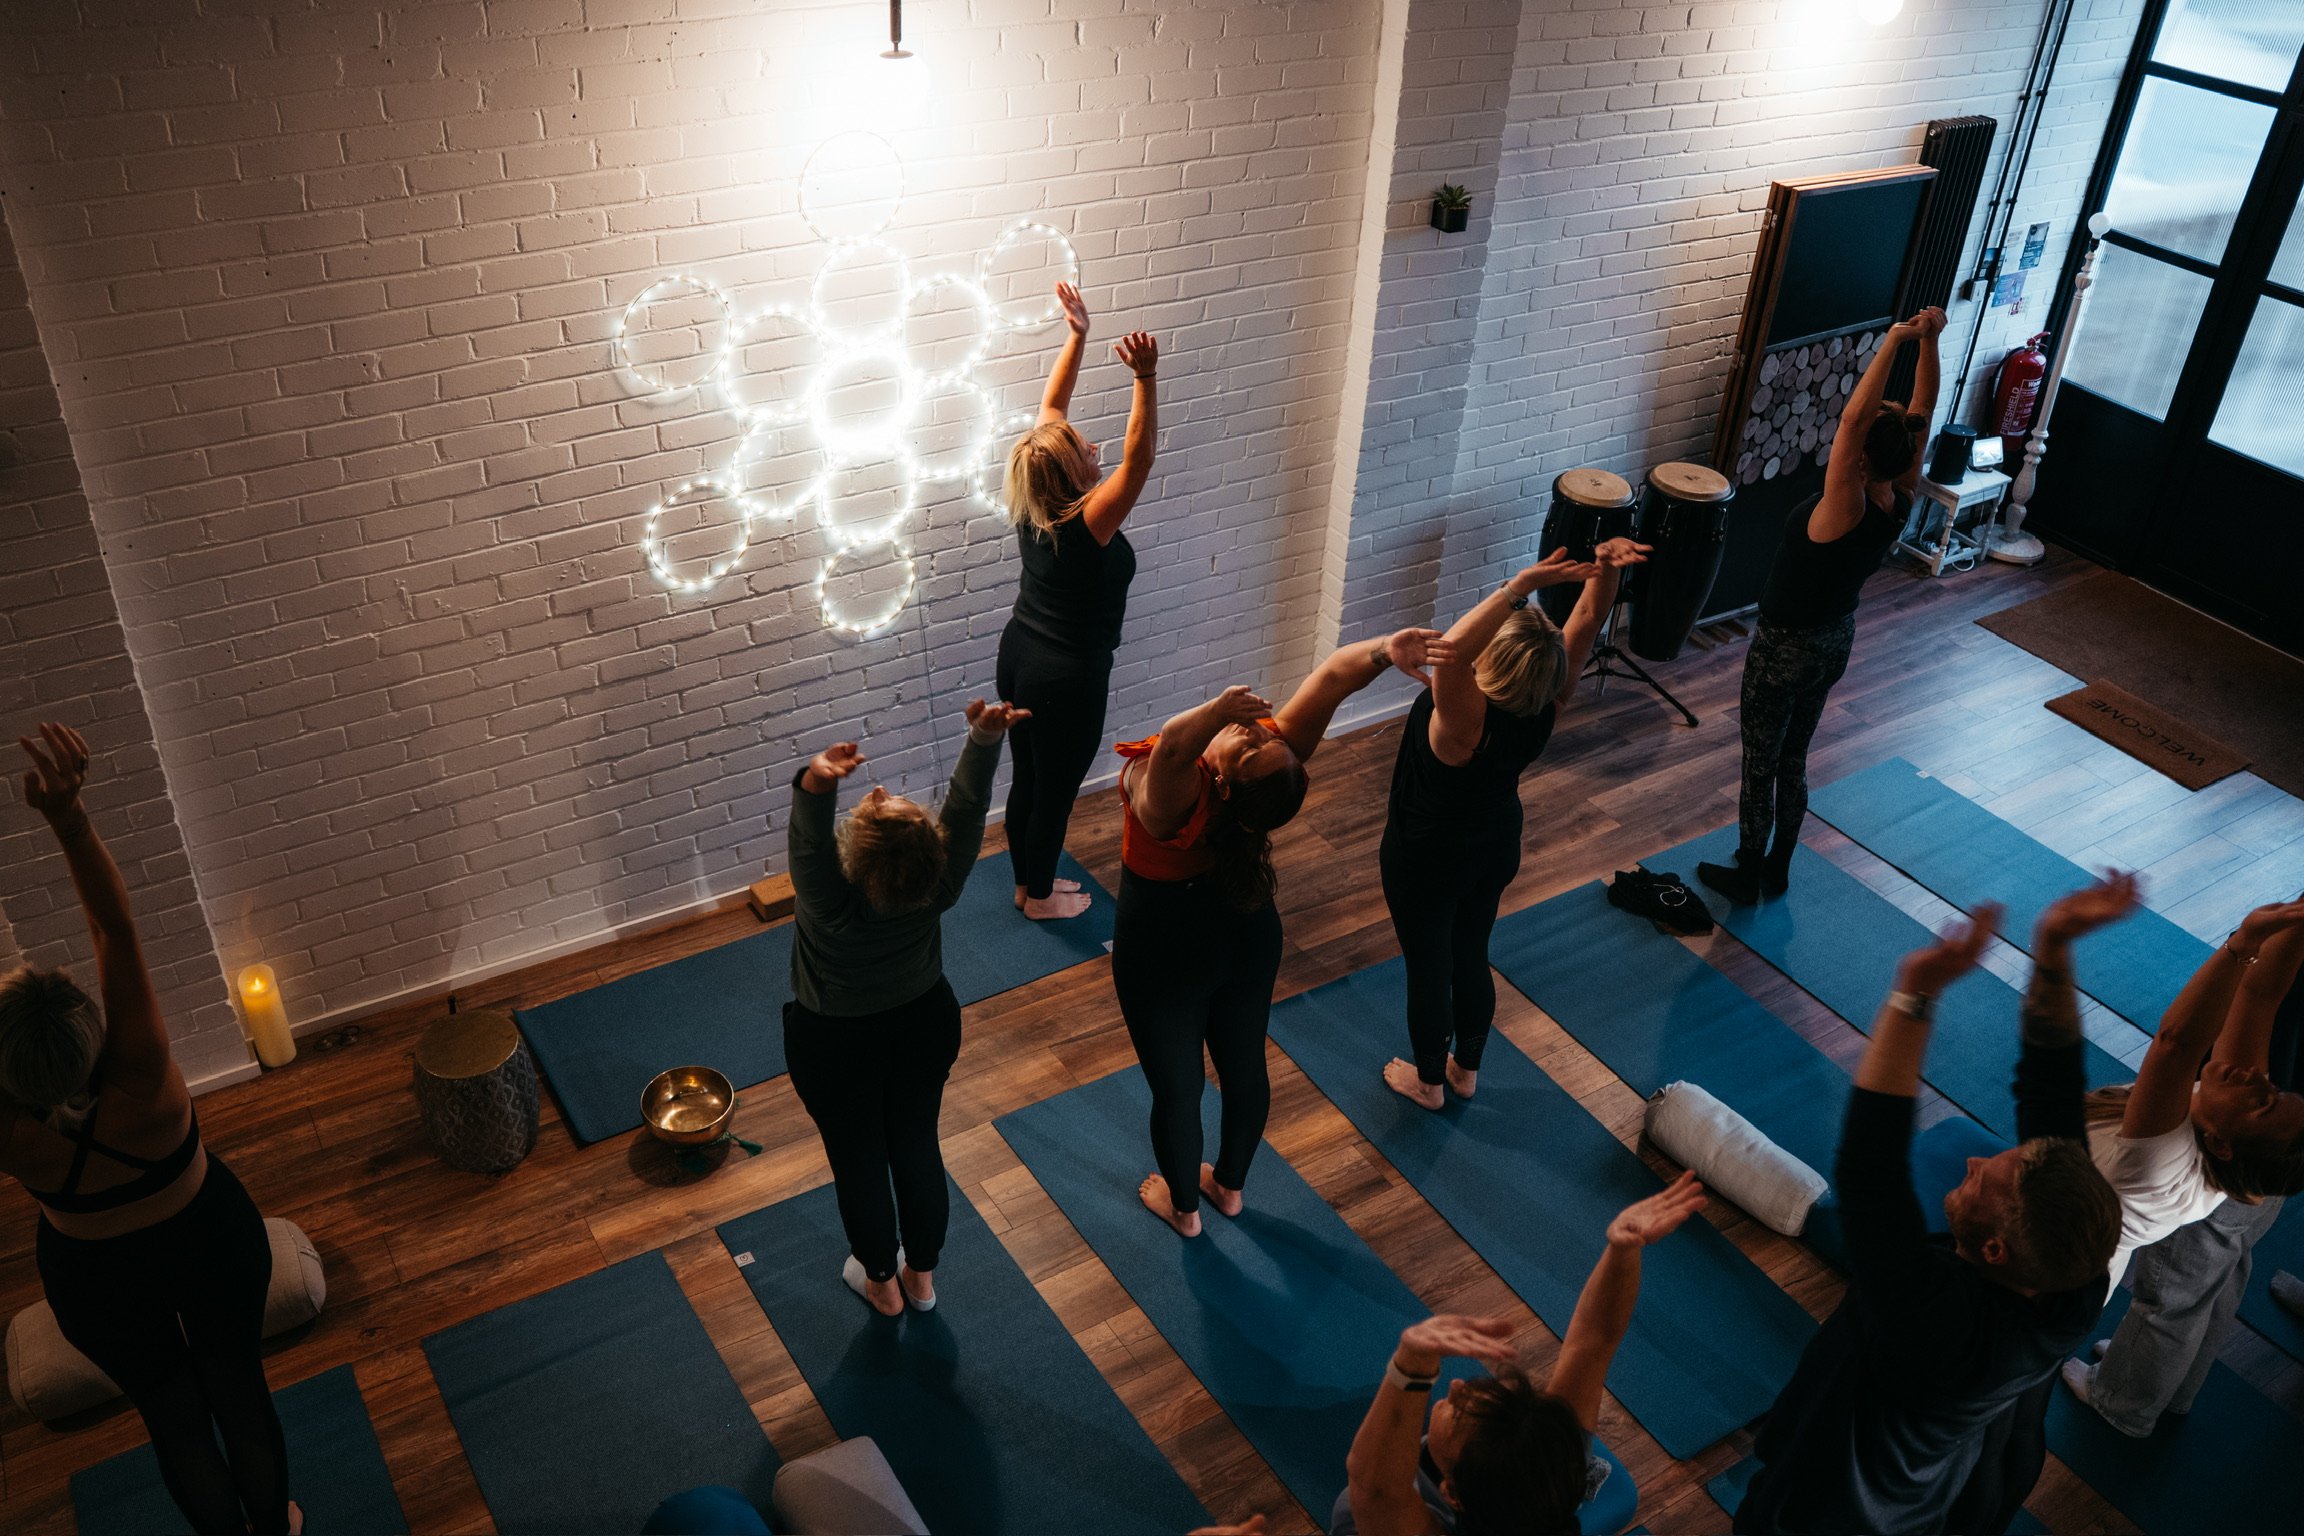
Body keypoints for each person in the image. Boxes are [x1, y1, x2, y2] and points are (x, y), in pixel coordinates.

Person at [1735, 887, 2122, 1536]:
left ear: (1995, 1248)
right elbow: (2051, 1102)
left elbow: (1870, 1170)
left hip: (1836, 1510)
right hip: (1944, 1483)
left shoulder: (1934, 1322)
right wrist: (2052, 951)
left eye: (1983, 1184)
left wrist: (1915, 990)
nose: (1972, 1164)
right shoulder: (2073, 1279)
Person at [1, 724, 297, 1536]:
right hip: (208, 1240)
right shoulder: (144, 1078)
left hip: (97, 1281)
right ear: (92, 1030)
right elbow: (114, 929)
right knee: (238, 1389)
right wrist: (67, 819)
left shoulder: (13, 1133)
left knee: (171, 1418)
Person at [1115, 626, 1449, 1236]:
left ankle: (1186, 1209)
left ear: (1221, 782)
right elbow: (1331, 681)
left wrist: (1217, 709)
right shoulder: (1263, 780)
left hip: (1165, 943)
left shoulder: (1176, 800)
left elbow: (1167, 748)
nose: (1250, 736)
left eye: (1247, 748)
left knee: (1178, 1084)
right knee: (1243, 1062)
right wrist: (1383, 652)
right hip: (1246, 928)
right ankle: (1229, 1189)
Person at [1379, 538, 1647, 1110]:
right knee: (1470, 954)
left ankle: (1429, 1083)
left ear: (1494, 661)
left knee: (1429, 966)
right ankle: (1465, 1072)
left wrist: (1520, 587)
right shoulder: (1550, 699)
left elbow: (1449, 647)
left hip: (1428, 854)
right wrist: (1602, 573)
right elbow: (1589, 618)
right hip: (1495, 843)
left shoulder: (1463, 714)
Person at [785, 699, 1027, 1317]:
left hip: (836, 1044)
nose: (880, 791)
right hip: (924, 1024)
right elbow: (969, 810)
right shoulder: (942, 881)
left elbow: (809, 839)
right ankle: (920, 1282)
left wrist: (817, 781)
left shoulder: (828, 901)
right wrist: (982, 737)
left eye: (875, 806)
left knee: (858, 1158)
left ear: (855, 859)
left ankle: (880, 1285)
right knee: (915, 1143)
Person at [1701, 307, 1945, 905]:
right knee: (1794, 755)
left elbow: (1855, 417)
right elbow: (1922, 412)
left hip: (1785, 646)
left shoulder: (1848, 506)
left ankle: (1748, 871)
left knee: (1760, 763)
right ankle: (1779, 865)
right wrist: (1930, 343)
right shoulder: (1900, 495)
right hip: (1835, 638)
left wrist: (1894, 339)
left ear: (1860, 456)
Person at [1341, 1172, 1709, 1535]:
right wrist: (1624, 1248)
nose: (1453, 1385)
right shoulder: (1546, 1456)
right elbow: (1593, 1343)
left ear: (1453, 1495)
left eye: (1456, 1409)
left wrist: (1412, 1365)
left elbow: (1375, 1491)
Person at [2062, 892, 2304, 1435]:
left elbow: (2176, 1043)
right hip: (2068, 1241)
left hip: (2055, 1270)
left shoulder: (2159, 1160)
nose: (2258, 1075)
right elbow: (2262, 994)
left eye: (2264, 1099)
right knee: (2216, 1273)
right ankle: (2170, 1389)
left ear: (2221, 1143)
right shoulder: (2229, 1118)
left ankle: (2127, 1404)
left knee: (2173, 1296)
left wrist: (2242, 941)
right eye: (2274, 1087)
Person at [997, 281, 1158, 921]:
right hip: (1067, 676)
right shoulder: (1087, 520)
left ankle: (1024, 883)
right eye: (1085, 451)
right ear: (1072, 475)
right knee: (1054, 792)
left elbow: (1051, 403)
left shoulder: (1033, 485)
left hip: (1019, 654)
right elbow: (1138, 460)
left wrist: (1078, 335)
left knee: (1028, 780)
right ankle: (1038, 898)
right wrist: (1144, 377)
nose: (1092, 447)